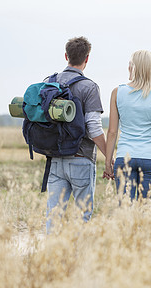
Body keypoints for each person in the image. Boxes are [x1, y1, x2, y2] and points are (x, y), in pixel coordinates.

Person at [46, 36, 107, 233]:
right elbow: (94, 128)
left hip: (55, 159)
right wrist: (109, 156)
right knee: (83, 216)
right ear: (87, 59)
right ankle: (79, 259)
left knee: (54, 216)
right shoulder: (89, 87)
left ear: (66, 56)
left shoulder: (48, 82)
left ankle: (50, 260)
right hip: (81, 158)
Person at [104, 50, 151, 201]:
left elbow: (112, 132)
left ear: (133, 67)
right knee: (145, 210)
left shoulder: (117, 93)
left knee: (125, 210)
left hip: (125, 158)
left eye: (130, 64)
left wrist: (108, 163)